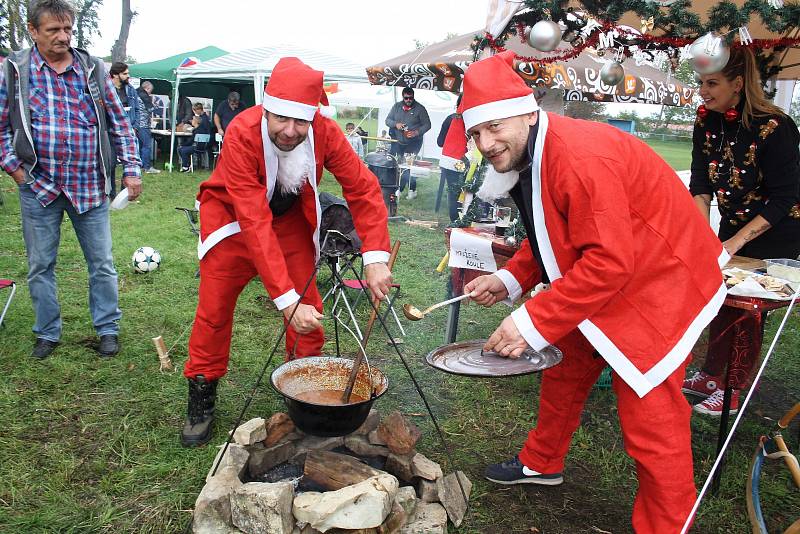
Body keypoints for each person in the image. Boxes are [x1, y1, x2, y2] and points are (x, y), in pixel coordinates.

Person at [459, 51, 727, 532]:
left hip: (662, 277)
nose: (486, 142)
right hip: (618, 270)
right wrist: (510, 278)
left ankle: (667, 526)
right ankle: (542, 462)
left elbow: (608, 261)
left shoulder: (578, 157)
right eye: (476, 133)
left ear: (525, 110)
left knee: (652, 420)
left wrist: (530, 320)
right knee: (566, 365)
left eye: (494, 127)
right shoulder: (536, 150)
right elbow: (554, 231)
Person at [181, 57, 392, 447]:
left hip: (288, 218)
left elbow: (362, 188)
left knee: (308, 308)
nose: (291, 131)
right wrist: (284, 300)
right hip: (233, 219)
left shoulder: (326, 132)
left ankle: (302, 394)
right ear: (266, 108)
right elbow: (253, 220)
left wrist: (375, 257)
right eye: (281, 119)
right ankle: (202, 391)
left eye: (301, 122)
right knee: (214, 309)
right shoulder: (242, 133)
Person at [0, 0, 142, 360]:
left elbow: (119, 124)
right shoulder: (15, 70)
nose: (63, 37)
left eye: (68, 30)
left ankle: (107, 330)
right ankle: (47, 333)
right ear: (33, 31)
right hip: (38, 187)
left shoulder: (93, 69)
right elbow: (1, 128)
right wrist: (15, 170)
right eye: (53, 30)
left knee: (102, 264)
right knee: (40, 265)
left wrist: (131, 169)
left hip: (90, 186)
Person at [683, 47, 800, 416]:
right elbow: (700, 184)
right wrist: (706, 239)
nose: (703, 90)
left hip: (778, 229)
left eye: (712, 83)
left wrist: (733, 243)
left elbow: (785, 198)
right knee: (719, 298)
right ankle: (710, 374)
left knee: (748, 306)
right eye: (701, 82)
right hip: (732, 226)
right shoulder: (706, 121)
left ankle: (736, 388)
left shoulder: (776, 126)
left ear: (738, 83)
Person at [385, 87, 430, 200]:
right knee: (400, 166)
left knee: (408, 166)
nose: (409, 100)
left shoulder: (420, 109)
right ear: (403, 97)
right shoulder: (396, 107)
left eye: (411, 98)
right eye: (406, 98)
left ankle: (400, 190)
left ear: (413, 96)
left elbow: (427, 124)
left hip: (414, 142)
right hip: (399, 142)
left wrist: (416, 132)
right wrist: (396, 124)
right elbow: (387, 120)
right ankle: (412, 190)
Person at [108, 61, 141, 196]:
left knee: (129, 162)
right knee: (110, 163)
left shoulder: (130, 90)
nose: (128, 76)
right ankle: (110, 193)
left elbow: (137, 109)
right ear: (115, 75)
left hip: (129, 130)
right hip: (110, 132)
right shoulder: (107, 89)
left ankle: (125, 192)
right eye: (125, 73)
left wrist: (135, 126)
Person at [437, 95, 466, 222]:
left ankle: (455, 220)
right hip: (465, 162)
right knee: (466, 193)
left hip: (448, 161)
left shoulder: (450, 119)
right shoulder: (473, 120)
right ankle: (460, 220)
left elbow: (440, 142)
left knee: (453, 194)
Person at [135, 80, 160, 174]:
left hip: (137, 124)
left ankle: (140, 166)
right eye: (150, 90)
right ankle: (147, 167)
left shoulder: (136, 94)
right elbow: (151, 109)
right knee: (147, 146)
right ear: (147, 88)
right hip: (144, 125)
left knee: (140, 146)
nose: (150, 93)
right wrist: (154, 104)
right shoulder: (144, 96)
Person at [179, 102, 211, 172]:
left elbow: (191, 140)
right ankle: (187, 165)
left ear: (199, 109)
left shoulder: (201, 124)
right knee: (183, 149)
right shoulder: (206, 119)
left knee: (182, 149)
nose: (194, 112)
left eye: (195, 110)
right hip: (205, 144)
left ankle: (186, 166)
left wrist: (183, 144)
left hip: (198, 146)